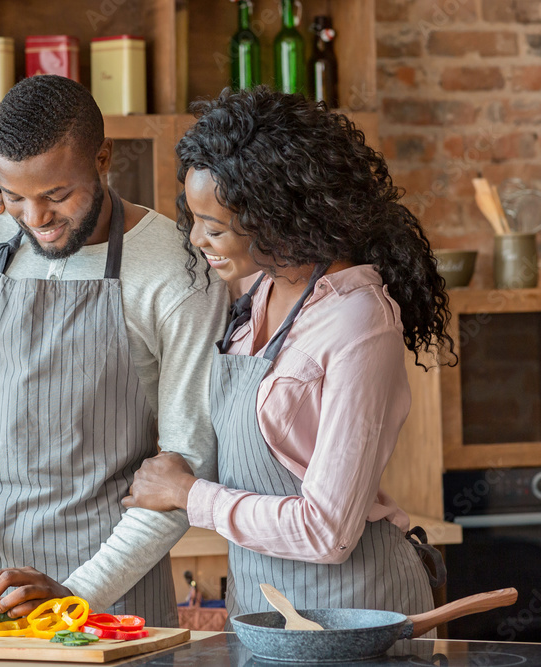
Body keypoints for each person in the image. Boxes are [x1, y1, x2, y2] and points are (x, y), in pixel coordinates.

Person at [0, 75, 229, 626]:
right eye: (14, 197)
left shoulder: (175, 268)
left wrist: (78, 594)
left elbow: (190, 458)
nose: (35, 219)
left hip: (111, 592)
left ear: (103, 158)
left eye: (56, 196)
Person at [123, 87, 455, 621]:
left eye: (214, 228)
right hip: (262, 613)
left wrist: (189, 495)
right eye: (193, 220)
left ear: (278, 214)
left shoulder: (359, 321)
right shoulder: (259, 290)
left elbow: (327, 531)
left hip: (355, 615)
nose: (196, 241)